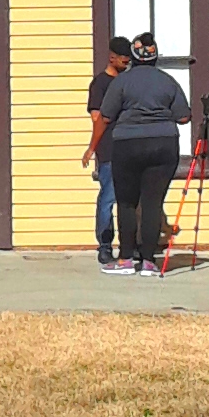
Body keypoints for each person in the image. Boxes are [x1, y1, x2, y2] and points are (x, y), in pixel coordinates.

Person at [98, 32, 191, 273]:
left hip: (127, 144)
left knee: (127, 202)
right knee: (152, 203)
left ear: (133, 57)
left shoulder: (121, 82)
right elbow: (183, 116)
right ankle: (149, 261)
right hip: (164, 143)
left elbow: (105, 116)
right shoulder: (168, 81)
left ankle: (126, 259)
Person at [81, 33, 132, 266]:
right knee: (108, 198)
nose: (127, 63)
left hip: (130, 146)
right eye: (123, 59)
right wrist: (92, 148)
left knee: (130, 199)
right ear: (112, 57)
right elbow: (97, 117)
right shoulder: (100, 84)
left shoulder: (129, 81)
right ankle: (104, 244)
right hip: (109, 149)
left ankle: (130, 244)